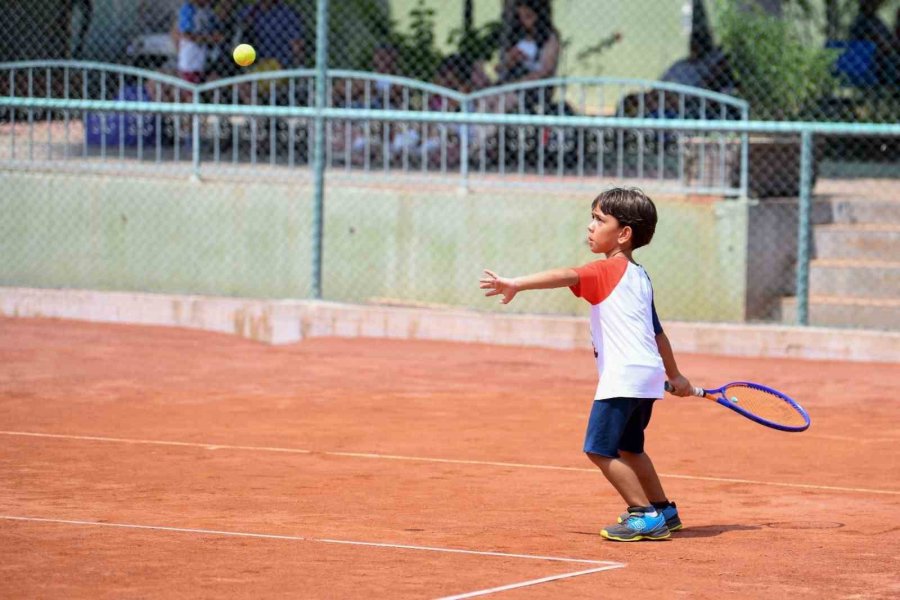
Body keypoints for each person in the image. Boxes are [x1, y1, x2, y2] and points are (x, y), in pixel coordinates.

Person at [479, 187, 694, 542]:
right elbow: (658, 333)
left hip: (623, 377)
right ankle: (665, 510)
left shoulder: (608, 270)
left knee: (598, 449)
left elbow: (568, 275)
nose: (590, 226)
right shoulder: (641, 276)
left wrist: (516, 283)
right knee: (630, 448)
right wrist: (675, 375)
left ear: (624, 234)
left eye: (599, 219)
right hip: (647, 375)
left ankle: (645, 514)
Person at [495, 0, 560, 112]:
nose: (524, 22)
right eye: (521, 17)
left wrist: (519, 83)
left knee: (502, 103)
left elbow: (545, 70)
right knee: (486, 100)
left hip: (535, 88)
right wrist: (510, 59)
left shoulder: (550, 38)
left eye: (528, 16)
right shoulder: (519, 36)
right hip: (513, 82)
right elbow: (499, 68)